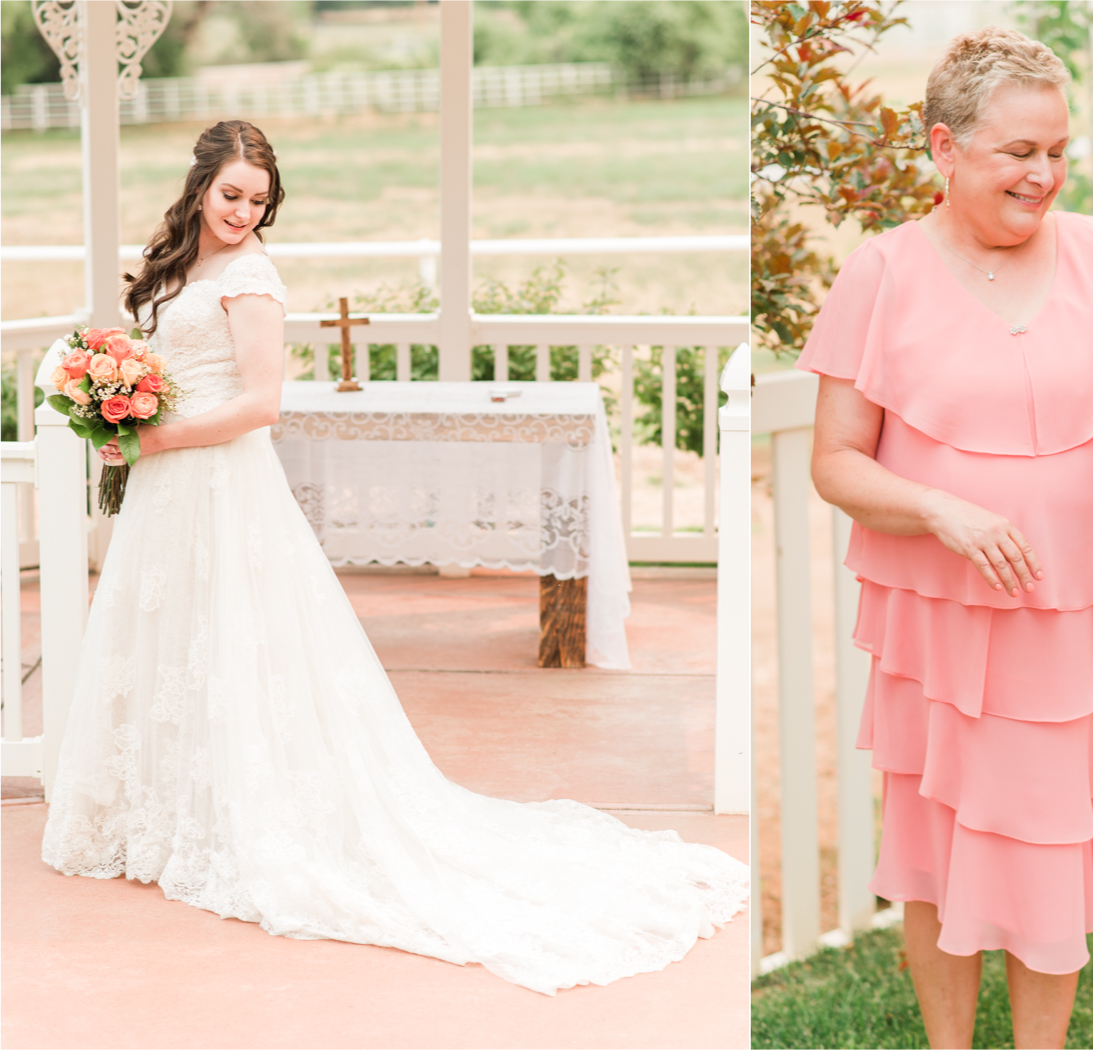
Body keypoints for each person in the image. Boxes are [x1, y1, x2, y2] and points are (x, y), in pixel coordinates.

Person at [40, 119, 748, 996]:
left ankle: (243, 816)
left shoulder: (253, 275)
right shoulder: (176, 268)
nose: (243, 213)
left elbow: (262, 403)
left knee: (234, 642)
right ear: (197, 188)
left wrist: (153, 439)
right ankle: (162, 812)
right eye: (231, 195)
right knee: (174, 643)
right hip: (168, 494)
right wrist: (117, 409)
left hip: (218, 483)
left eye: (259, 201)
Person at [799, 28, 1093, 1050]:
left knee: (1051, 846)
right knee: (940, 843)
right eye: (1016, 153)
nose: (1043, 176)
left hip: (1072, 618)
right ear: (944, 148)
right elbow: (836, 461)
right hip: (940, 626)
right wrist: (942, 511)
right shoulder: (881, 274)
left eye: (1056, 152)